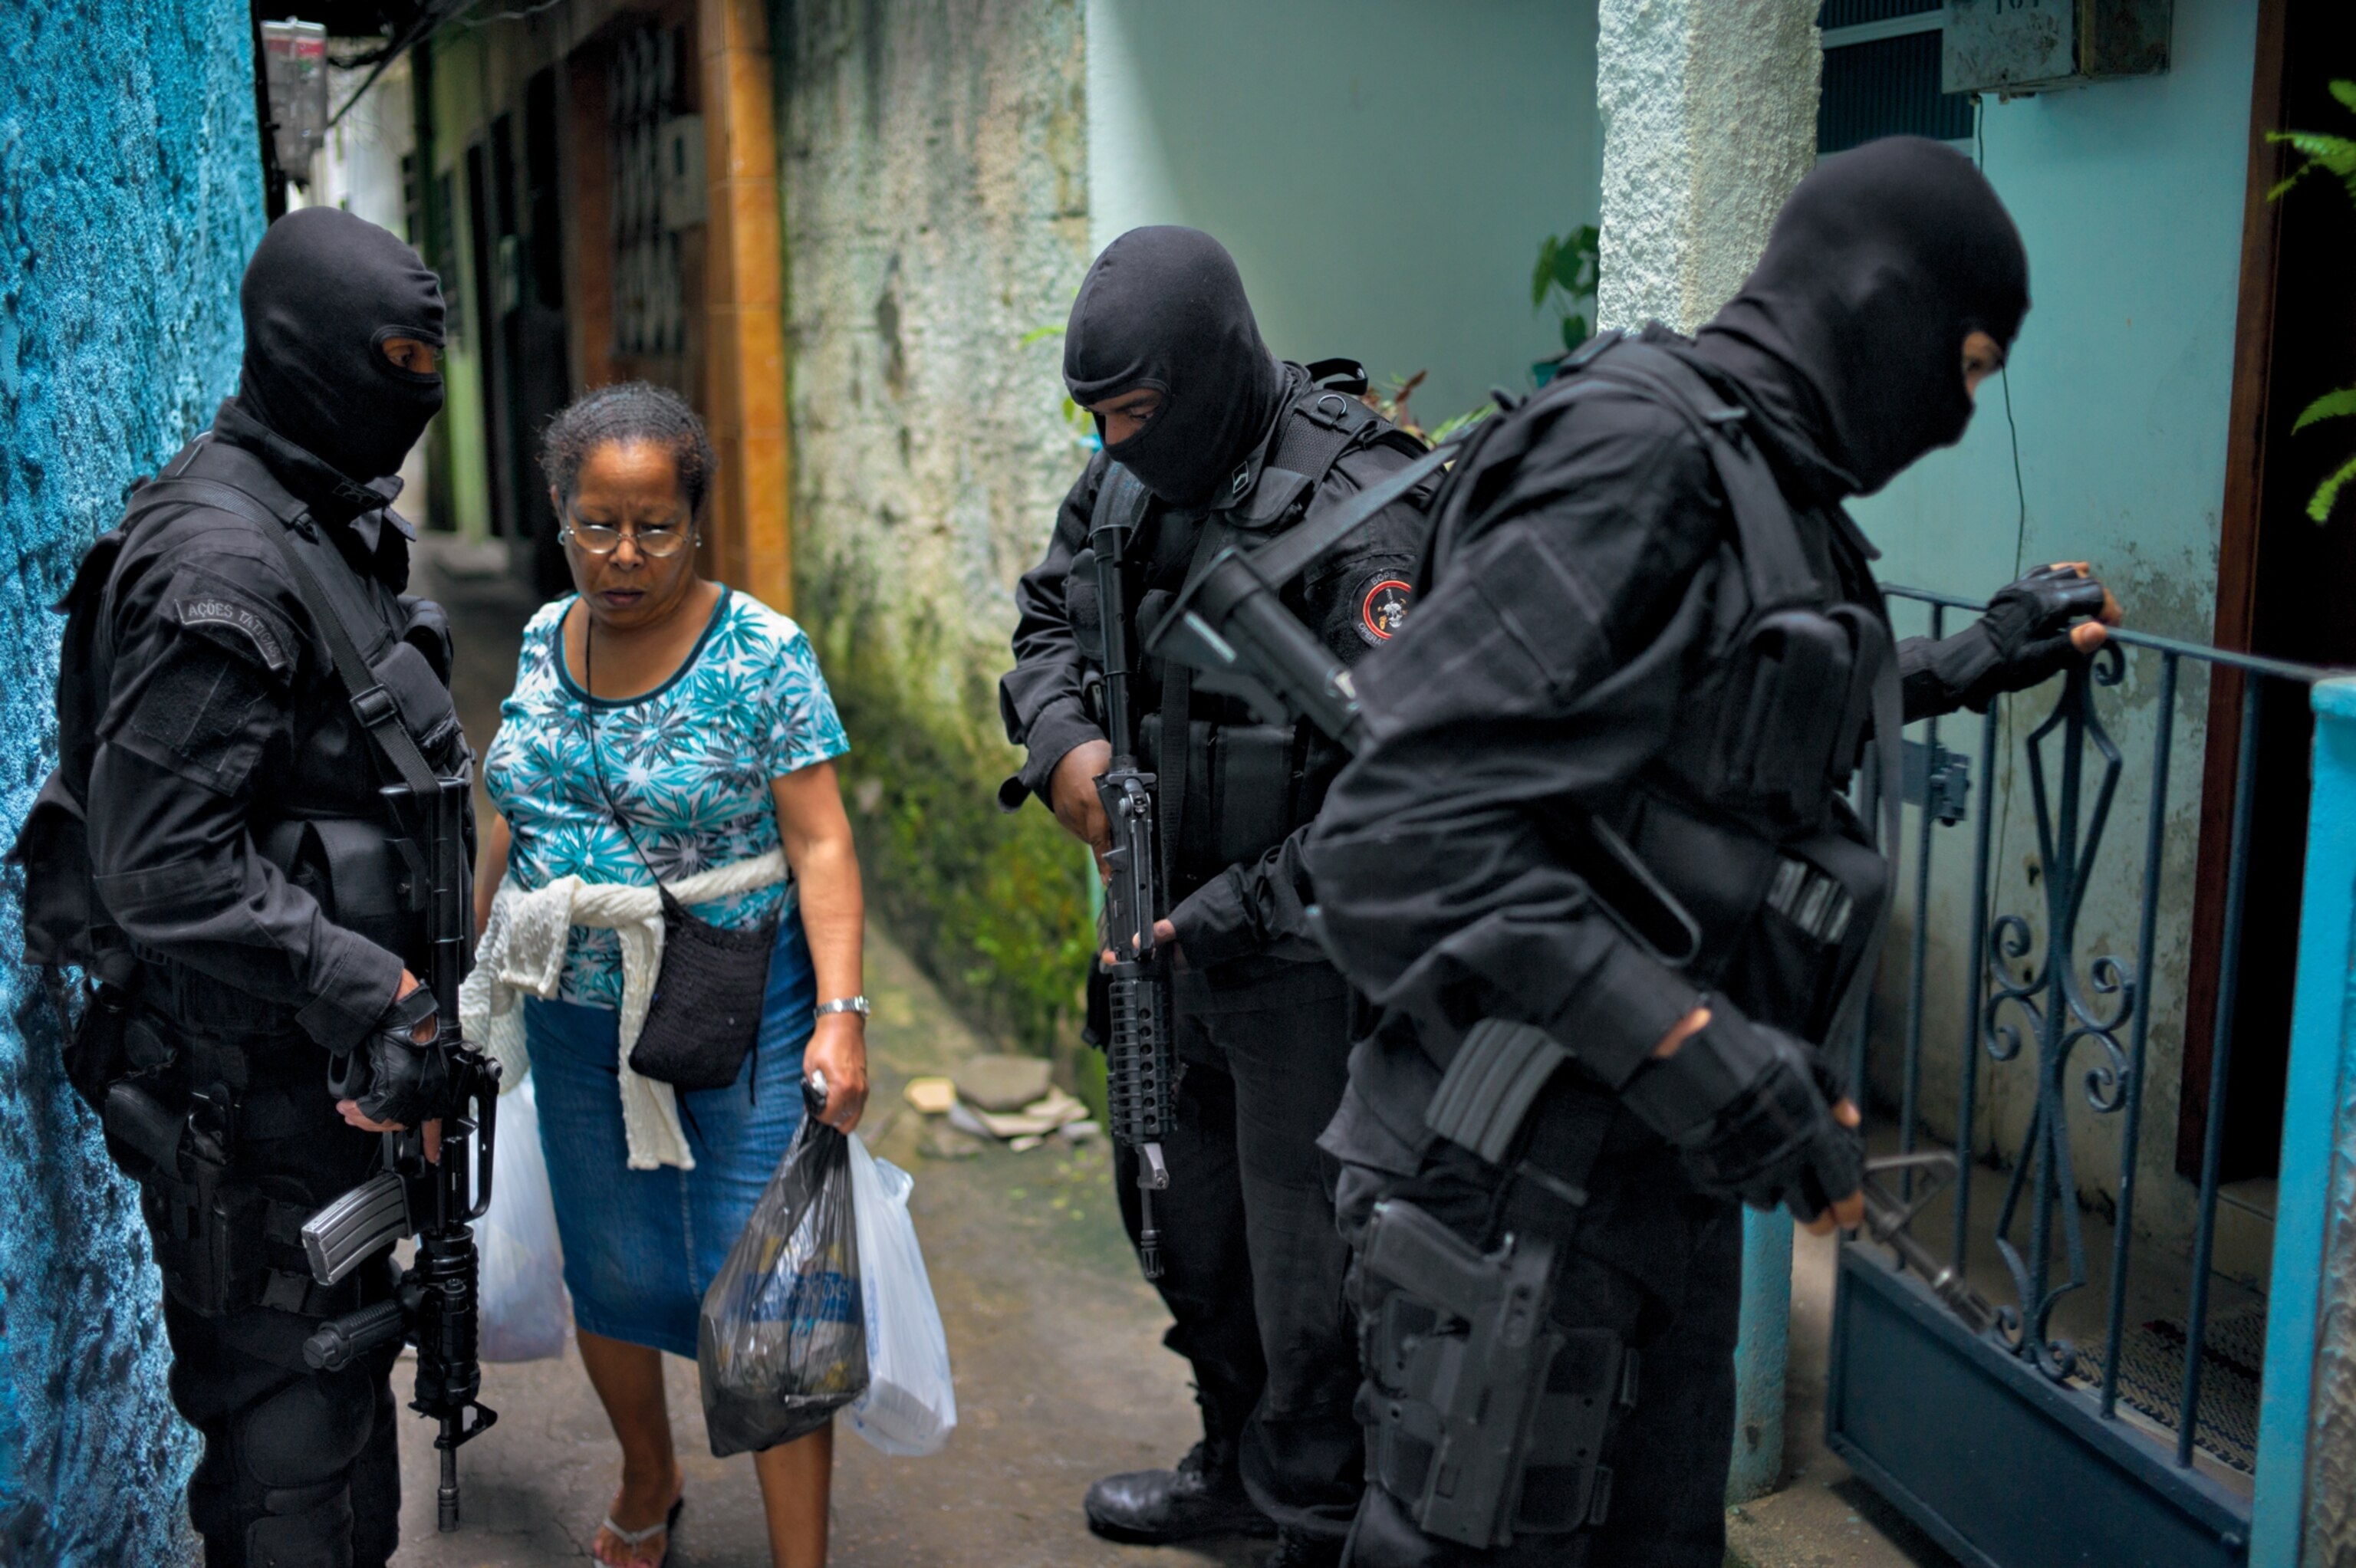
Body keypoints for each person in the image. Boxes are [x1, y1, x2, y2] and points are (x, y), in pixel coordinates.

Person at [1302, 137, 2123, 1567]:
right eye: (1973, 368)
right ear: (1881, 309)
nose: (1958, 415)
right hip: (1504, 1187)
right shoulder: (1641, 451)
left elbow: (1721, 728)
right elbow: (1393, 834)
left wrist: (1976, 657)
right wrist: (1700, 1043)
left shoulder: (1765, 483)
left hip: (1641, 1191)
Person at [12, 207, 460, 1566]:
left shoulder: (314, 518)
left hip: (320, 1083)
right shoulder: (221, 562)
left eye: (426, 367)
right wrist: (369, 983)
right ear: (301, 354)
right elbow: (161, 863)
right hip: (244, 1094)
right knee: (287, 1466)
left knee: (339, 1418)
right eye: (389, 361)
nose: (413, 397)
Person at [998, 226, 1436, 1568]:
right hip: (1157, 934)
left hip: (1307, 960)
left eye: (1134, 411)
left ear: (1203, 374)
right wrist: (1066, 739)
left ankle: (1316, 1513)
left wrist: (1241, 907)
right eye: (1097, 418)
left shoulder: (1364, 503)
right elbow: (1047, 625)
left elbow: (1410, 787)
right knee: (1178, 1220)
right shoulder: (1122, 486)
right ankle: (1237, 1462)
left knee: (1313, 1266)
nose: (1116, 440)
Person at [466, 381, 869, 1568]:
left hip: (736, 1009)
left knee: (775, 1292)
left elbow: (823, 842)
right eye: (598, 523)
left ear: (698, 523)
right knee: (615, 1268)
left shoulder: (763, 652)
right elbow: (509, 812)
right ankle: (650, 1469)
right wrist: (475, 979)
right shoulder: (545, 638)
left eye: (655, 527)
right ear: (560, 510)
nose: (624, 554)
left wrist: (842, 1016)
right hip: (576, 1021)